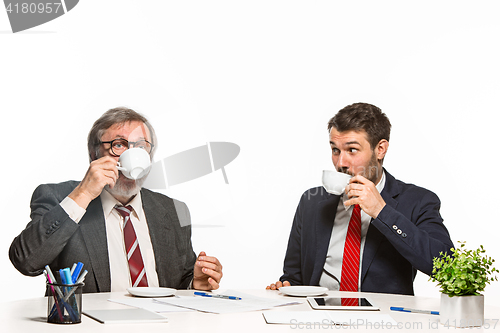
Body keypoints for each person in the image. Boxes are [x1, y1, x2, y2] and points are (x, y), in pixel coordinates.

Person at [10, 107, 223, 293]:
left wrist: (194, 284)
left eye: (140, 147)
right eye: (118, 145)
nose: (130, 156)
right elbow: (25, 262)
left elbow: (177, 286)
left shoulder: (173, 210)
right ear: (94, 155)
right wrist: (83, 194)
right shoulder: (59, 197)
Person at [267, 103, 453, 295]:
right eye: (335, 150)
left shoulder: (418, 201)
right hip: (319, 318)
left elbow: (446, 267)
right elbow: (294, 277)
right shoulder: (311, 202)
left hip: (383, 321)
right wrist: (287, 286)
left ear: (380, 149)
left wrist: (382, 212)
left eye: (352, 150)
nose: (340, 163)